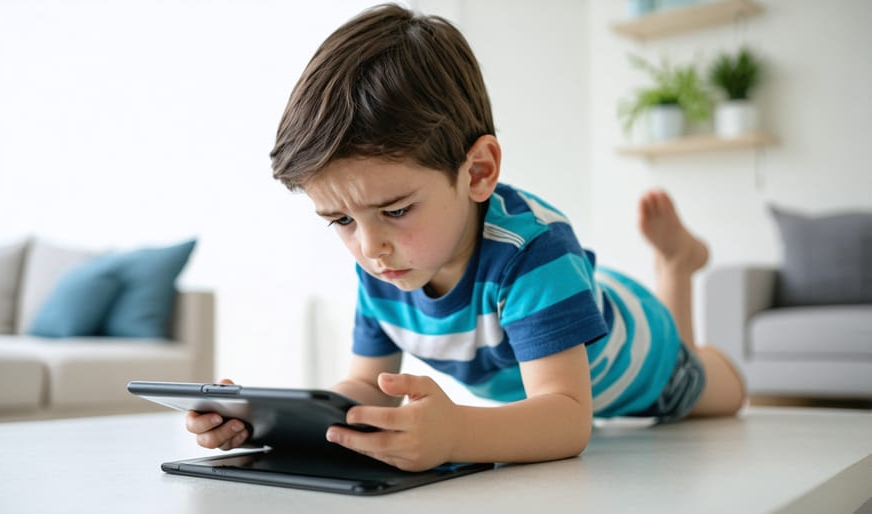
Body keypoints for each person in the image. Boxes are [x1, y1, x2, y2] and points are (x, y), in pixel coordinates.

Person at [186, 3, 746, 471]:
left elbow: (569, 416)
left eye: (396, 209)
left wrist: (456, 435)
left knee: (722, 390)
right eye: (340, 221)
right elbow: (367, 385)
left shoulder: (533, 251)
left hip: (646, 359)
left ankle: (677, 266)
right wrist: (272, 422)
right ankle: (675, 264)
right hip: (571, 306)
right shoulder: (383, 262)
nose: (368, 248)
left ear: (478, 173)